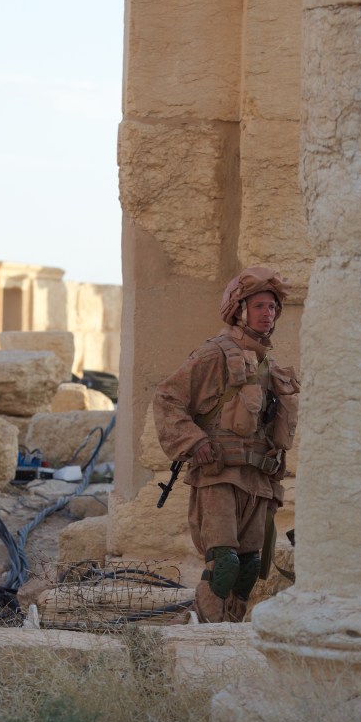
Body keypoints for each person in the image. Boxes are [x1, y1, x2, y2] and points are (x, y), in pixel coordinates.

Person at [153, 265, 299, 623]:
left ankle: (229, 635)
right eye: (261, 306)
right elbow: (167, 398)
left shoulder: (268, 364)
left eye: (273, 307)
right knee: (224, 563)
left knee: (249, 566)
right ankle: (206, 636)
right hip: (219, 475)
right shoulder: (215, 354)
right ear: (240, 309)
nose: (269, 314)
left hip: (258, 479)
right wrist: (194, 440)